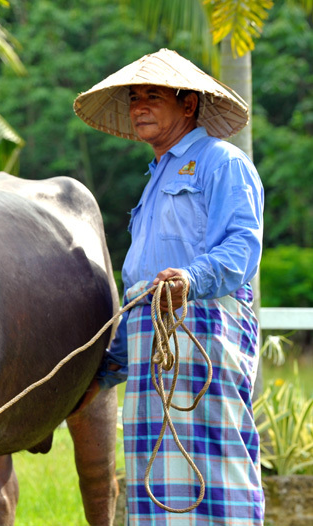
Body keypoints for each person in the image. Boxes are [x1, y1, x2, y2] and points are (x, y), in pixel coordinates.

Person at [73, 48, 265, 525]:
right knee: (153, 473)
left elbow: (241, 246)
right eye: (134, 97)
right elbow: (142, 281)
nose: (139, 106)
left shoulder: (223, 162)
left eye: (152, 96)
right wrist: (107, 366)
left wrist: (191, 278)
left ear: (188, 105)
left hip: (201, 328)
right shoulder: (155, 178)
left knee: (214, 462)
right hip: (150, 336)